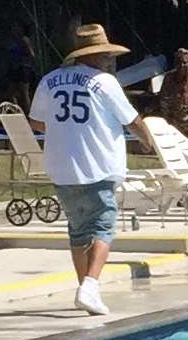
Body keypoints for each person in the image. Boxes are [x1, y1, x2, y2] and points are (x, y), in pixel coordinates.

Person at [37, 22, 141, 317]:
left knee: (78, 231)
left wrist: (64, 129)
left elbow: (37, 121)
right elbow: (131, 119)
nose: (109, 61)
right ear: (92, 56)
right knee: (101, 227)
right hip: (97, 167)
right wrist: (147, 140)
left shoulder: (50, 80)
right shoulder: (105, 82)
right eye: (105, 56)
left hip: (62, 168)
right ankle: (91, 285)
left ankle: (85, 288)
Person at [1, 21, 41, 110]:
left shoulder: (24, 39)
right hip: (15, 69)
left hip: (23, 69)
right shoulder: (15, 40)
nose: (14, 29)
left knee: (24, 94)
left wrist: (22, 62)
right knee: (10, 94)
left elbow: (32, 55)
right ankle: (17, 112)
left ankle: (30, 116)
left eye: (17, 27)